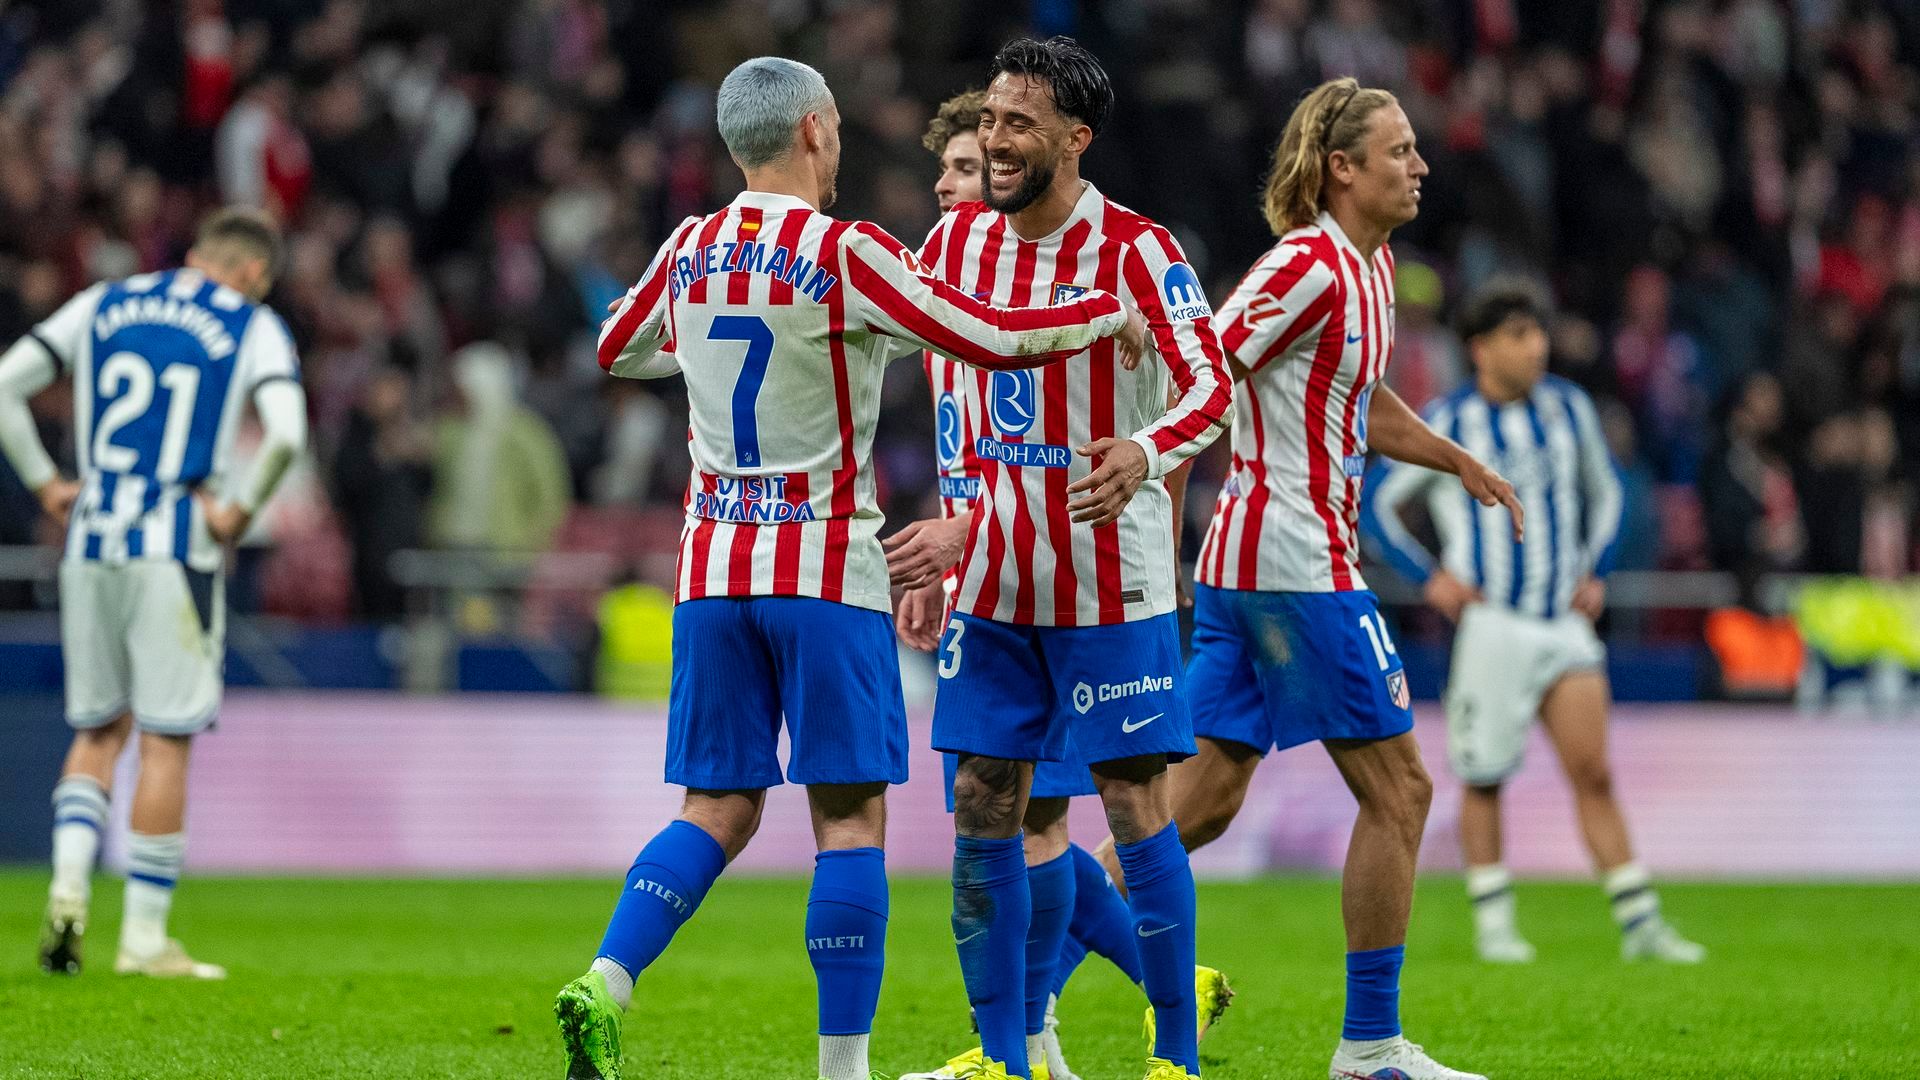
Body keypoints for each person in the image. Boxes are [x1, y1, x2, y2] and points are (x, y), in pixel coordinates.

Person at [552, 56, 1146, 1080]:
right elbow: (989, 336)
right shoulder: (846, 250)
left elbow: (616, 346)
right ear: (816, 131)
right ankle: (843, 1069)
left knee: (715, 808)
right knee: (848, 818)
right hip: (825, 572)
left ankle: (608, 979)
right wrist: (1102, 313)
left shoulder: (691, 245)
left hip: (712, 574)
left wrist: (701, 351)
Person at [1096, 78, 1521, 1080]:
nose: (1419, 166)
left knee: (1195, 807)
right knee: (1402, 791)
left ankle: (1026, 1006)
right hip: (1294, 564)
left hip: (1259, 569)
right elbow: (1204, 369)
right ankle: (1369, 1048)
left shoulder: (1370, 270)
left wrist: (1452, 458)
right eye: (1400, 150)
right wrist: (1156, 497)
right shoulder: (1305, 267)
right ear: (1342, 168)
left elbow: (1358, 400)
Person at [907, 37, 1232, 1080]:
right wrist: (953, 529)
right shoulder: (954, 244)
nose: (997, 141)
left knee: (1133, 806)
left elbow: (1211, 387)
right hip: (994, 581)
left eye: (1020, 124)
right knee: (983, 804)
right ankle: (1006, 1058)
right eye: (990, 121)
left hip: (1109, 582)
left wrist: (1145, 449)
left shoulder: (1141, 250)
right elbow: (948, 402)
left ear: (1076, 138)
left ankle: (1174, 1058)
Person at [0, 208, 307, 980]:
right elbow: (287, 434)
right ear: (253, 272)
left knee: (97, 729)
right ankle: (142, 939)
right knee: (164, 740)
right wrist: (239, 510)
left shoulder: (103, 301)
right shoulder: (251, 323)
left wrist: (45, 483)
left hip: (90, 537)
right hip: (175, 543)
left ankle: (68, 889)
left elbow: (4, 385)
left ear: (196, 254)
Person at [1361, 282, 1707, 966]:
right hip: (1492, 624)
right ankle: (1495, 926)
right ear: (1481, 349)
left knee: (1594, 771)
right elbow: (1378, 503)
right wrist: (1429, 576)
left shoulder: (1568, 408)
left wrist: (1596, 569)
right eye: (1519, 335)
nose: (1537, 347)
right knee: (1485, 777)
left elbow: (1607, 492)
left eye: (1538, 333)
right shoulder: (1449, 420)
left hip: (1561, 621)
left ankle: (1639, 923)